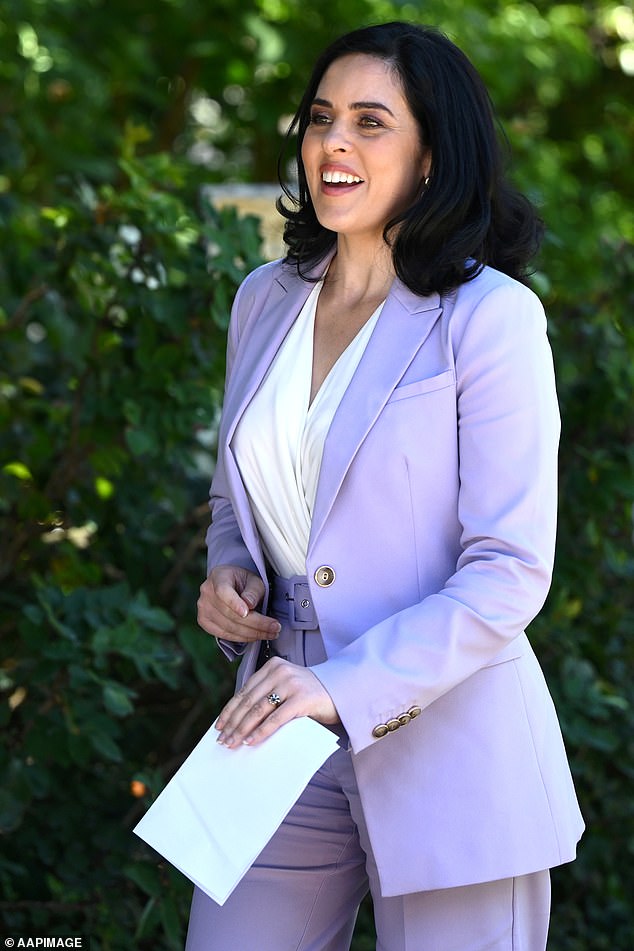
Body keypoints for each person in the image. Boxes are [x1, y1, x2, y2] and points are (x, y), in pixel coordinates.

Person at [188, 21, 584, 951]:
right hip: (274, 721)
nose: (334, 143)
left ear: (434, 156)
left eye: (372, 122)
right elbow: (233, 502)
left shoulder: (491, 318)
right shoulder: (264, 297)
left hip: (449, 740)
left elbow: (509, 571)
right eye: (322, 118)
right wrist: (229, 571)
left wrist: (340, 687)